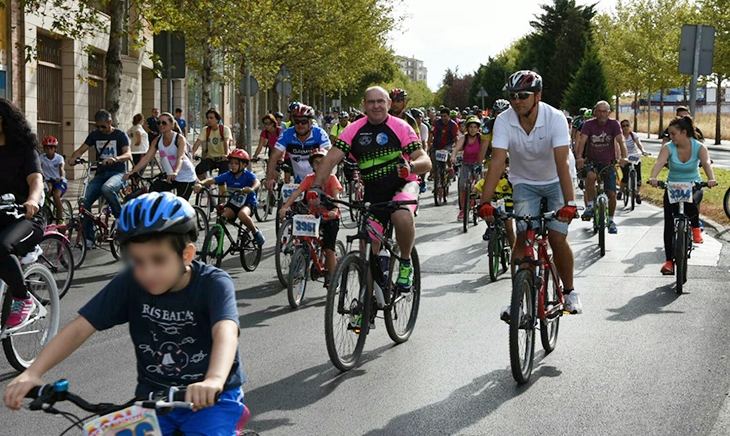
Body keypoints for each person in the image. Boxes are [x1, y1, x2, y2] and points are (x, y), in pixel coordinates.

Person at [3, 192, 250, 434]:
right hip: (154, 399)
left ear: (186, 255)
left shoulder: (213, 284)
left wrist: (214, 380)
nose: (147, 272)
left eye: (159, 260)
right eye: (138, 261)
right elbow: (80, 327)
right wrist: (33, 373)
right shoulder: (132, 283)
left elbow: (225, 332)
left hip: (212, 400)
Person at [308, 86, 431, 294]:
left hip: (404, 185)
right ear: (364, 105)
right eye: (371, 102)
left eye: (381, 101)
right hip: (374, 193)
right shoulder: (354, 130)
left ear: (388, 104)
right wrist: (316, 188)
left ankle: (405, 263)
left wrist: (410, 167)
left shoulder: (401, 127)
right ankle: (367, 303)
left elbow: (425, 160)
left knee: (401, 215)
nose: (376, 106)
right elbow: (329, 160)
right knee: (367, 250)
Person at [477, 70, 582, 315]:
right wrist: (485, 202)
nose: (516, 101)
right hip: (524, 182)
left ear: (537, 96)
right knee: (523, 237)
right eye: (512, 96)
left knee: (557, 238)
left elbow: (562, 163)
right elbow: (498, 162)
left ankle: (569, 292)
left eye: (523, 95)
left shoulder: (555, 118)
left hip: (557, 180)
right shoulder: (504, 120)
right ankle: (519, 301)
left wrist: (570, 202)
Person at [649, 116, 716, 274]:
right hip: (673, 186)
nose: (670, 137)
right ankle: (669, 262)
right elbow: (659, 162)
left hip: (693, 185)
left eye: (673, 134)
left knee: (691, 204)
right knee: (669, 224)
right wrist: (653, 178)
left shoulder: (699, 147)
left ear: (684, 132)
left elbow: (706, 163)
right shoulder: (669, 147)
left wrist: (711, 179)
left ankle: (695, 228)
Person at [0, 99, 46, 327]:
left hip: (26, 218)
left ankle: (22, 298)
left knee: (1, 245)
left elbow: (36, 179)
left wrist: (32, 200)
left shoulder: (24, 151)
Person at [67, 109, 131, 249]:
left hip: (118, 173)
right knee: (84, 201)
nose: (100, 129)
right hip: (100, 174)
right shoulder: (95, 135)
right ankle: (89, 238)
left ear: (110, 122)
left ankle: (120, 218)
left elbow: (128, 155)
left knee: (107, 189)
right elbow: (80, 150)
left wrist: (115, 159)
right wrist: (73, 158)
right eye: (98, 126)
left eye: (103, 126)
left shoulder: (120, 135)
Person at [279, 149, 341, 287]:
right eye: (316, 163)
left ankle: (332, 278)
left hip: (330, 217)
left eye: (322, 163)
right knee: (301, 238)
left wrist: (335, 209)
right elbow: (296, 193)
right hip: (313, 217)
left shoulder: (331, 178)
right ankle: (301, 259)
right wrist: (284, 207)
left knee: (329, 250)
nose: (319, 166)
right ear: (312, 165)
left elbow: (336, 197)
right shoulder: (309, 179)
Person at [574, 101, 627, 234]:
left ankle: (611, 220)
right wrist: (579, 157)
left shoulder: (614, 124)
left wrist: (624, 157)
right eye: (599, 111)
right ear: (595, 112)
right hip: (592, 161)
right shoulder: (588, 124)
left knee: (611, 193)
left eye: (605, 111)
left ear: (609, 113)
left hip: (608, 162)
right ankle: (590, 206)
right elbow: (582, 142)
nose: (602, 114)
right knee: (590, 177)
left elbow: (621, 141)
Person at [196, 149, 265, 246]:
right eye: (231, 163)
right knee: (221, 217)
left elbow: (256, 182)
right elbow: (212, 180)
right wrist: (200, 183)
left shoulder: (248, 175)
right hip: (233, 203)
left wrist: (251, 189)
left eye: (236, 163)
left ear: (244, 165)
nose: (233, 166)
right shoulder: (228, 175)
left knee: (242, 215)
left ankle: (256, 232)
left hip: (247, 203)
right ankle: (218, 243)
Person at [124, 112, 197, 200]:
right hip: (170, 176)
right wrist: (132, 172)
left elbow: (180, 157)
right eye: (158, 123)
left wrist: (176, 172)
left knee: (179, 204)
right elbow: (147, 158)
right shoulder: (157, 140)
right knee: (154, 191)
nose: (161, 125)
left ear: (172, 124)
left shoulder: (179, 139)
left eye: (164, 123)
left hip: (185, 176)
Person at [265, 104, 331, 189]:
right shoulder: (287, 134)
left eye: (303, 121)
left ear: (310, 123)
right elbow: (274, 156)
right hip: (299, 180)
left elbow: (328, 156)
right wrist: (269, 178)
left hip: (318, 178)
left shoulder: (319, 133)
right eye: (297, 121)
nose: (300, 124)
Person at [451, 116, 489, 221]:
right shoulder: (465, 138)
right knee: (463, 186)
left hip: (478, 165)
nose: (473, 129)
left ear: (478, 129)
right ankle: (464, 209)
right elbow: (457, 148)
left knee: (477, 187)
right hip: (466, 164)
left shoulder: (481, 138)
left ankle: (477, 205)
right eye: (471, 127)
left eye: (475, 127)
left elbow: (488, 150)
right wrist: (453, 156)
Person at [191, 108, 233, 180]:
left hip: (223, 159)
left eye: (211, 118)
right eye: (208, 118)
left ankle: (222, 190)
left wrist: (226, 154)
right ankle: (207, 187)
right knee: (199, 169)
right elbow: (198, 142)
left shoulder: (225, 129)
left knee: (222, 179)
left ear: (217, 120)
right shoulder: (205, 130)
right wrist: (192, 152)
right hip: (210, 158)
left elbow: (226, 142)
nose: (209, 120)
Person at [618, 119, 650, 204]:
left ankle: (637, 193)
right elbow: (617, 147)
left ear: (630, 126)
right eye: (623, 126)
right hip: (624, 156)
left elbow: (639, 143)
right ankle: (621, 191)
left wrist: (643, 151)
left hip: (634, 155)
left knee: (638, 175)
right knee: (625, 175)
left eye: (627, 125)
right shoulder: (620, 136)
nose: (625, 127)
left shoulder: (633, 135)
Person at [40, 136, 67, 224]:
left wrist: (61, 177)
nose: (49, 150)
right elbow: (39, 168)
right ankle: (46, 209)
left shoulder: (59, 158)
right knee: (48, 189)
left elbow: (61, 168)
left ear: (55, 148)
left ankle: (60, 218)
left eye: (51, 148)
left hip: (59, 181)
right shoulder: (42, 157)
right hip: (48, 181)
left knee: (56, 196)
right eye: (46, 148)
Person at [428, 108, 459, 180]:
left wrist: (457, 147)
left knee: (447, 153)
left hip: (447, 145)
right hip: (436, 145)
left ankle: (450, 168)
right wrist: (429, 143)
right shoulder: (436, 123)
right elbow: (431, 134)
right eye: (441, 116)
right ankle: (436, 182)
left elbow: (456, 137)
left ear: (449, 116)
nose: (443, 118)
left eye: (445, 116)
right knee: (433, 156)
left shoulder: (454, 125)